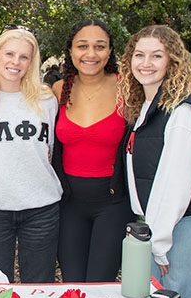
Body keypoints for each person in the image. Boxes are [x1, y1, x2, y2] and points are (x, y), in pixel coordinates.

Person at [119, 25, 191, 298]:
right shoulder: (148, 106)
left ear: (172, 61)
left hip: (183, 229)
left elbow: (175, 183)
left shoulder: (181, 112)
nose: (146, 63)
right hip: (157, 228)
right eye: (139, 55)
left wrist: (160, 243)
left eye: (156, 56)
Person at [0, 26, 60, 282]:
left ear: (31, 62)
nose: (15, 62)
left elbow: (49, 150)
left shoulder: (46, 100)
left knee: (39, 286)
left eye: (24, 57)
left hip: (41, 207)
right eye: (9, 54)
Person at [51, 20, 133, 282]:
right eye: (82, 46)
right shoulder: (58, 90)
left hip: (112, 202)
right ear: (71, 50)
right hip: (68, 202)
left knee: (100, 284)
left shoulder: (127, 88)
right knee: (73, 283)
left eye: (100, 46)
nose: (91, 54)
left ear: (109, 52)